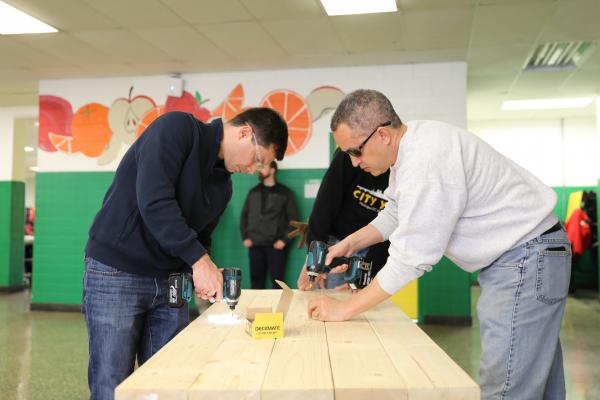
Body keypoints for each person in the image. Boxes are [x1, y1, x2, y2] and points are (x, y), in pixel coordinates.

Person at [307, 89, 571, 399]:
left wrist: (346, 309)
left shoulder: (424, 161)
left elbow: (412, 257)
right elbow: (395, 212)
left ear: (382, 135)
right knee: (540, 379)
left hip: (525, 259)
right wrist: (350, 244)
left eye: (355, 152)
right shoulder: (414, 144)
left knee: (507, 386)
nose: (353, 163)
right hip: (533, 253)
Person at [83, 108, 288, 400]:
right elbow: (154, 201)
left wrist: (202, 271)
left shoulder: (223, 185)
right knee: (112, 383)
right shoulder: (176, 129)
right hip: (117, 271)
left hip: (169, 281)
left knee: (169, 378)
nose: (254, 169)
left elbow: (201, 235)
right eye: (257, 159)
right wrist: (199, 261)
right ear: (244, 133)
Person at [296, 148, 390, 290]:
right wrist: (313, 259)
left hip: (371, 245)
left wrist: (369, 272)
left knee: (357, 295)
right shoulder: (349, 152)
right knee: (325, 296)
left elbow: (389, 230)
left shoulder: (402, 170)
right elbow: (325, 205)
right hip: (335, 240)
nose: (356, 162)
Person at [240, 160, 298, 289]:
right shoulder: (253, 192)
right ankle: (255, 310)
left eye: (263, 167)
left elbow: (294, 221)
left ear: (273, 170)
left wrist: (284, 240)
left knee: (277, 283)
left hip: (276, 247)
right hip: (255, 245)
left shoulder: (285, 193)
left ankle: (278, 310)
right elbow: (244, 216)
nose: (260, 170)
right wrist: (245, 237)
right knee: (256, 283)